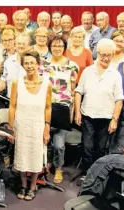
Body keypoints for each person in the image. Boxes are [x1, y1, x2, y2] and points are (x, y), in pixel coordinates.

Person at [74, 38, 124, 172]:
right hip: (88, 115)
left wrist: (114, 119)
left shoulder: (115, 75)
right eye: (103, 55)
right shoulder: (88, 71)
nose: (105, 58)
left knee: (101, 149)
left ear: (113, 56)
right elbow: (78, 92)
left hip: (106, 117)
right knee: (87, 147)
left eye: (109, 55)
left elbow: (119, 99)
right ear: (98, 53)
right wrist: (77, 112)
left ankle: (97, 176)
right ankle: (86, 174)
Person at [9, 51, 52, 201]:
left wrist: (47, 127)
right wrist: (10, 127)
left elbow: (48, 107)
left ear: (38, 64)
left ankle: (32, 186)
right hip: (21, 124)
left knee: (35, 156)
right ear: (22, 65)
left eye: (32, 63)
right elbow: (12, 106)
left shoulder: (47, 83)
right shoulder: (17, 82)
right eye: (26, 63)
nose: (29, 66)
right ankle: (23, 184)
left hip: (38, 125)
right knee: (21, 155)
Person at [39, 36, 79, 184]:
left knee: (59, 144)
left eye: (60, 46)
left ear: (64, 47)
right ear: (50, 47)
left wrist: (73, 111)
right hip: (45, 106)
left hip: (63, 107)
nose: (57, 48)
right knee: (45, 138)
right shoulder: (42, 65)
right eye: (54, 45)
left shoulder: (72, 66)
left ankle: (59, 168)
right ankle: (46, 164)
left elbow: (73, 90)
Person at [0, 31, 29, 98]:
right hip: (11, 100)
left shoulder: (34, 61)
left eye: (24, 44)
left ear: (29, 46)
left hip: (28, 100)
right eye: (19, 44)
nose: (21, 46)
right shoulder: (8, 61)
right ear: (15, 44)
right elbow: (3, 81)